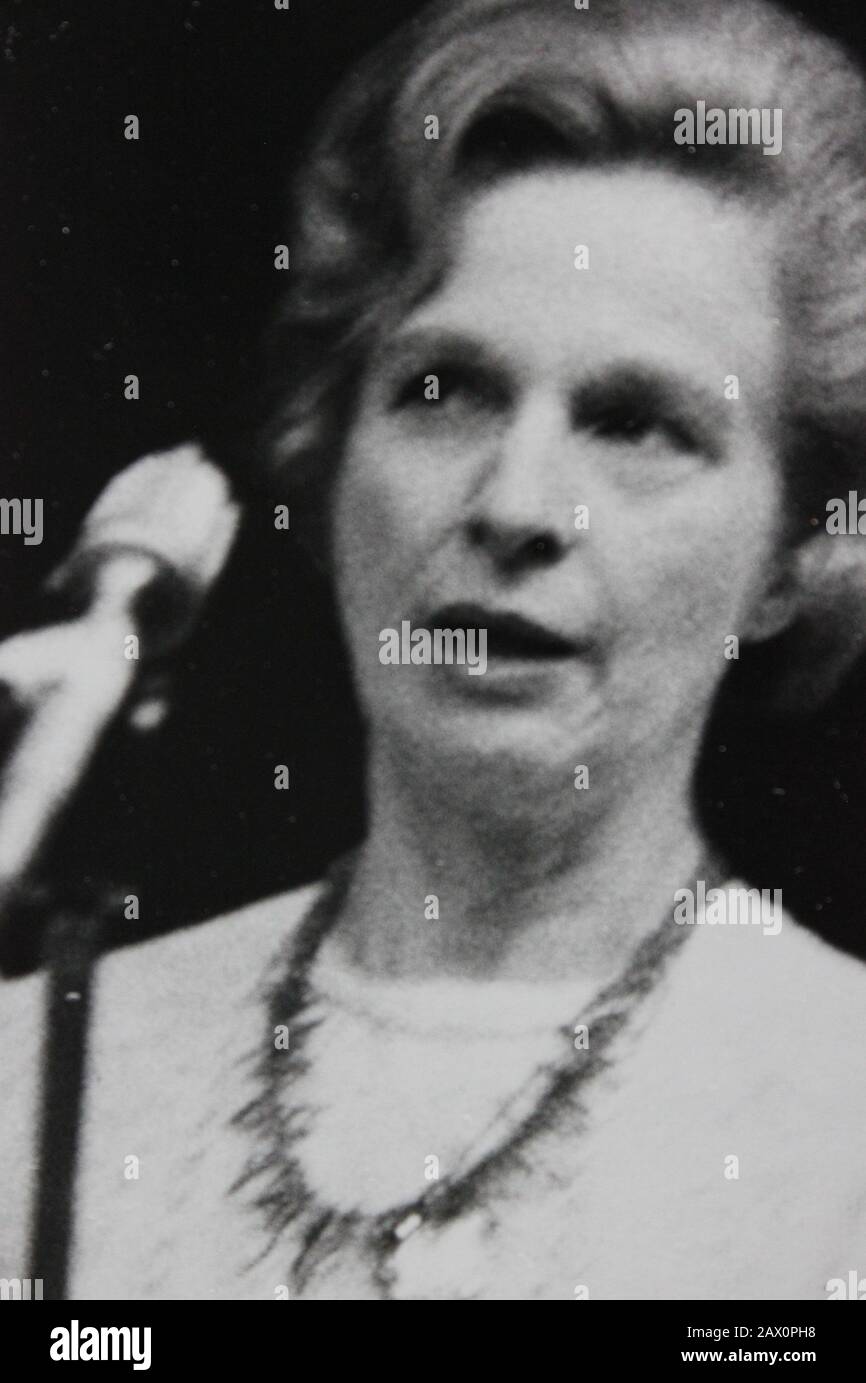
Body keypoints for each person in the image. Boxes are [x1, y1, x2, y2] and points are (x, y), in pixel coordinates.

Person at [3, 0, 866, 1300]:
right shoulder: (39, 1066)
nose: (515, 504)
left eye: (634, 422)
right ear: (326, 455)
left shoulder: (836, 1113)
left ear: (798, 552)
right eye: (439, 389)